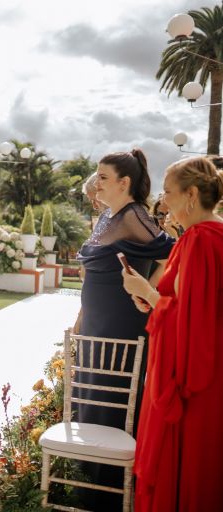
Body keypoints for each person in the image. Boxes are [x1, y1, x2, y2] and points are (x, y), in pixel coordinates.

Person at [72, 149, 174, 510]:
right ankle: (85, 489)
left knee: (111, 409)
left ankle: (106, 499)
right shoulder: (109, 216)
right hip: (95, 328)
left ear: (123, 182)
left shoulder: (134, 215)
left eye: (103, 177)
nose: (97, 183)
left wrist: (146, 291)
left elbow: (173, 256)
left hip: (120, 330)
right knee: (89, 404)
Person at [120, 157, 223, 512]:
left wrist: (147, 293)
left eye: (168, 192)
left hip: (192, 382)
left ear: (191, 194)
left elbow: (192, 321)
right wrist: (152, 299)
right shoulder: (212, 236)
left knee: (186, 471)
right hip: (210, 371)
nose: (163, 201)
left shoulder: (199, 240)